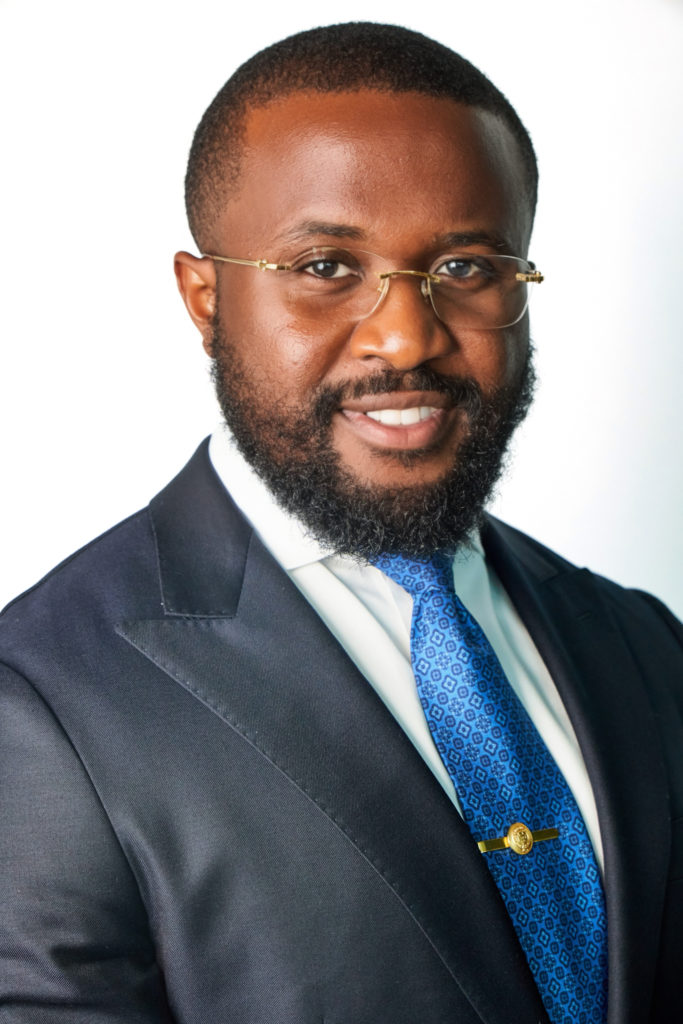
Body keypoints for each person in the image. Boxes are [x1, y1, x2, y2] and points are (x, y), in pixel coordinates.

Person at [1, 22, 682, 1024]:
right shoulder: (39, 706)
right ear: (204, 298)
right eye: (324, 266)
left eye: (466, 267)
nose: (405, 337)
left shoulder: (642, 645)